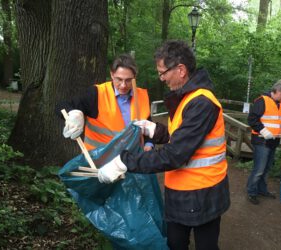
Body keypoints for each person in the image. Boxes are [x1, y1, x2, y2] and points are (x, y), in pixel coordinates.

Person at [97, 40, 230, 250]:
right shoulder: (187, 97)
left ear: (181, 70)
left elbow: (174, 154)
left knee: (205, 245)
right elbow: (182, 136)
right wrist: (155, 131)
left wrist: (124, 162)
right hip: (182, 190)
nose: (161, 78)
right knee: (175, 242)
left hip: (203, 192)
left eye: (163, 72)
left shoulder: (202, 102)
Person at [57, 54, 153, 151]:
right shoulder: (96, 93)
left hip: (133, 160)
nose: (123, 85)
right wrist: (73, 114)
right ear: (112, 74)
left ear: (135, 77)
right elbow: (62, 105)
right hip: (99, 161)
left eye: (128, 80)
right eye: (119, 79)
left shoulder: (141, 95)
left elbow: (148, 124)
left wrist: (149, 143)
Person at [246, 79, 281, 205]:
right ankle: (252, 191)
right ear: (277, 91)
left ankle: (262, 190)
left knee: (266, 168)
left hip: (273, 141)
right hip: (261, 141)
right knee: (259, 169)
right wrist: (263, 130)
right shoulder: (262, 101)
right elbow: (252, 119)